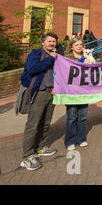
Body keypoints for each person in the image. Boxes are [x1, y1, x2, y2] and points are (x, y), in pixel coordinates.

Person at [20, 32, 58, 171]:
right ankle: (27, 156)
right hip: (39, 93)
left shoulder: (56, 56)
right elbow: (32, 69)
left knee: (45, 123)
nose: (52, 44)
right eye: (49, 41)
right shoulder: (35, 54)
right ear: (43, 42)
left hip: (51, 93)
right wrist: (50, 59)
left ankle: (40, 147)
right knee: (33, 124)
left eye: (54, 42)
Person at [64, 36, 93, 151]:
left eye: (81, 45)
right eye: (76, 45)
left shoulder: (86, 57)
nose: (79, 47)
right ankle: (70, 141)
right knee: (72, 117)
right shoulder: (66, 58)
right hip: (71, 92)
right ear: (71, 47)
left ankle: (81, 139)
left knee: (82, 116)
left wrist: (89, 64)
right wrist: (81, 62)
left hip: (83, 91)